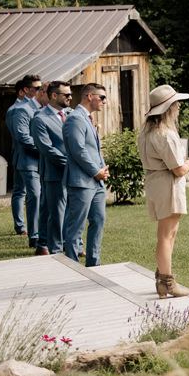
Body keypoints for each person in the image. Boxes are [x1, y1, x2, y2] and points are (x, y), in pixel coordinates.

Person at [137, 85, 189, 298]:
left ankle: (163, 280)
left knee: (167, 234)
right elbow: (178, 169)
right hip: (167, 184)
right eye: (176, 103)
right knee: (166, 235)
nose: (179, 106)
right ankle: (167, 283)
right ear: (168, 108)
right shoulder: (165, 134)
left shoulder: (147, 133)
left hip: (155, 182)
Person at [62, 82, 110, 266]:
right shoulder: (75, 118)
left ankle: (94, 263)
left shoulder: (88, 118)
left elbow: (93, 150)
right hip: (81, 181)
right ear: (90, 96)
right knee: (76, 225)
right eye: (102, 97)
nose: (104, 102)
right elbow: (78, 150)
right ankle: (72, 265)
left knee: (98, 220)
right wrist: (95, 171)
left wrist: (103, 168)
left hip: (96, 181)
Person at [29, 81, 71, 256]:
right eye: (66, 95)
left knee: (72, 211)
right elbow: (46, 149)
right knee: (56, 213)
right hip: (54, 172)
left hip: (74, 172)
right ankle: (55, 250)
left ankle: (72, 245)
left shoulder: (71, 115)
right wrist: (71, 163)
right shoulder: (40, 118)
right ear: (54, 96)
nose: (70, 98)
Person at [6, 74, 44, 245]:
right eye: (37, 88)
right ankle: (21, 226)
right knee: (23, 192)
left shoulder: (37, 108)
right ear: (26, 90)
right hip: (24, 157)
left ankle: (25, 227)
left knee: (24, 191)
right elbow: (20, 137)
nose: (40, 90)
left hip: (31, 158)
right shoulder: (16, 109)